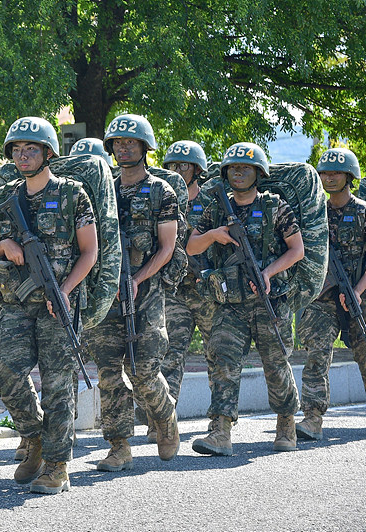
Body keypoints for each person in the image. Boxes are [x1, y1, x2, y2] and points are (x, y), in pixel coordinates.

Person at [0, 116, 98, 494]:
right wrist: (6, 245)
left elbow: (90, 252)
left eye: (31, 149)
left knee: (57, 385)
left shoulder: (72, 194)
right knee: (3, 367)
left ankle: (56, 465)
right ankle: (33, 435)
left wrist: (65, 290)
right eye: (17, 150)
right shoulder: (9, 199)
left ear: (48, 153)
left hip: (58, 303)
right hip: (18, 302)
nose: (23, 155)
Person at [187, 142, 303, 455]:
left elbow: (297, 250)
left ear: (258, 173)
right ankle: (220, 432)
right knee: (223, 361)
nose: (239, 173)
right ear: (226, 173)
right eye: (234, 168)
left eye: (246, 168)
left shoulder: (274, 206)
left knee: (276, 363)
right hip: (230, 303)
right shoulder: (216, 207)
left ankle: (286, 423)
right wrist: (214, 234)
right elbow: (191, 246)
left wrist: (268, 272)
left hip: (270, 300)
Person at [84, 113, 180, 472]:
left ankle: (165, 417)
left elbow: (167, 247)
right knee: (109, 371)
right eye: (118, 143)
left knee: (143, 372)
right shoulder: (101, 189)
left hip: (147, 293)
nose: (123, 148)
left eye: (131, 143)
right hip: (106, 294)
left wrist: (139, 278)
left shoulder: (160, 191)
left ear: (144, 147)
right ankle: (119, 445)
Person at [296, 147, 366, 440]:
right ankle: (312, 417)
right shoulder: (314, 213)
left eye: (336, 172)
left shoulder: (362, 212)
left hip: (358, 296)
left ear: (350, 176)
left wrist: (358, 291)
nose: (329, 177)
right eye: (324, 172)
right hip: (322, 298)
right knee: (316, 353)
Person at [158, 141, 218, 426]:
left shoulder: (213, 202)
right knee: (169, 354)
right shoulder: (164, 199)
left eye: (183, 165)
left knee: (217, 355)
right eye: (171, 166)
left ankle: (220, 419)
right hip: (175, 290)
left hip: (208, 292)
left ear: (197, 170)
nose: (177, 171)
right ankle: (164, 420)